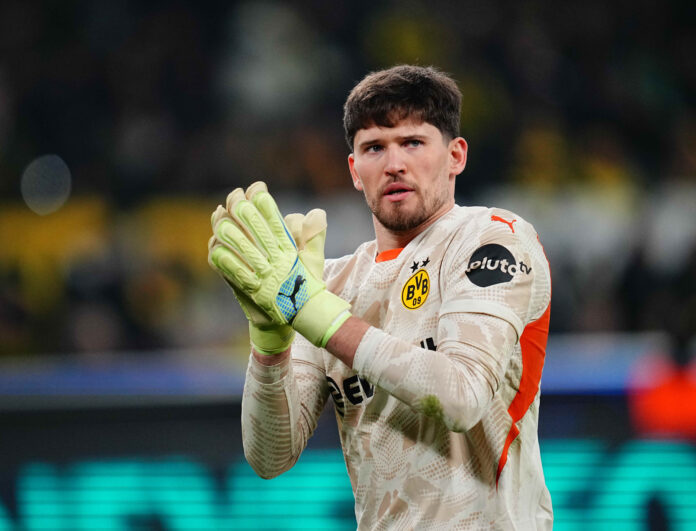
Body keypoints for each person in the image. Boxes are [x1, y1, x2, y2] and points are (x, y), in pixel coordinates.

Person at [208, 65, 553, 530]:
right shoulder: (328, 285)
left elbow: (461, 395)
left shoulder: (493, 239)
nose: (394, 163)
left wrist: (312, 312)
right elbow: (271, 456)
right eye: (374, 147)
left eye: (412, 142)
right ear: (354, 170)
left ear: (455, 155)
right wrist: (271, 340)